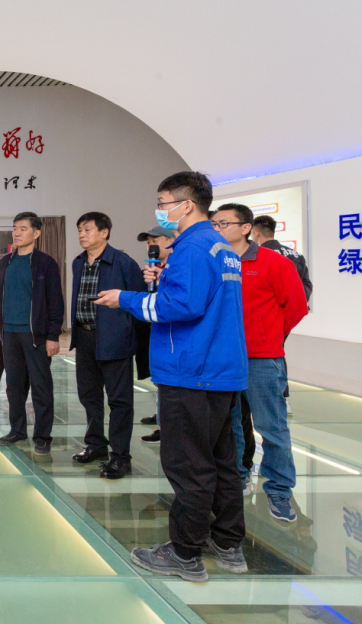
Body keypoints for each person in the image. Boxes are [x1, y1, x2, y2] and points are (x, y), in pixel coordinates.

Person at [95, 171, 248, 583]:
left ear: (187, 204)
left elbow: (179, 307)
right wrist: (164, 282)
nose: (160, 210)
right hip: (219, 370)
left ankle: (184, 553)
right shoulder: (219, 247)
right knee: (221, 462)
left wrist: (126, 299)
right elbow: (202, 298)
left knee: (188, 465)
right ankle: (228, 543)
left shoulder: (192, 247)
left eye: (163, 203)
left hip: (191, 372)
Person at [212, 203, 307, 521]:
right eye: (214, 224)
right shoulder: (215, 261)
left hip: (262, 358)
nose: (217, 229)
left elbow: (296, 306)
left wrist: (269, 336)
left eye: (223, 223)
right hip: (224, 358)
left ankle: (279, 489)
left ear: (246, 228)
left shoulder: (273, 262)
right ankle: (237, 478)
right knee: (230, 426)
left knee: (271, 427)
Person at [69, 212, 145, 479]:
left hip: (115, 339)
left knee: (119, 401)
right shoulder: (78, 262)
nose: (82, 234)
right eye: (79, 230)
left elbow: (139, 300)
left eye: (87, 229)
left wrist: (129, 335)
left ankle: (120, 457)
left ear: (104, 232)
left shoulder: (123, 262)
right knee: (89, 396)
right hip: (85, 338)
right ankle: (96, 445)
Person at [0, 212, 64, 456]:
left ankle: (42, 436)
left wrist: (53, 336)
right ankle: (17, 430)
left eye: (23, 228)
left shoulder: (46, 263)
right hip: (9, 334)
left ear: (36, 233)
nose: (17, 232)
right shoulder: (5, 262)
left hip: (36, 335)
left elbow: (55, 302)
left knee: (41, 387)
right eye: (15, 228)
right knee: (14, 386)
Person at [251, 214, 312, 416]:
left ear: (256, 232)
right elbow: (305, 286)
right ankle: (282, 399)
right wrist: (289, 315)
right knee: (278, 353)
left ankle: (273, 399)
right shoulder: (295, 254)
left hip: (266, 319)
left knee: (268, 358)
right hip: (287, 317)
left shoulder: (260, 256)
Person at [135, 226, 176, 444]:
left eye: (155, 240)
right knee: (160, 382)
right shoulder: (154, 267)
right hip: (156, 334)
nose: (150, 245)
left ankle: (168, 428)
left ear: (171, 240)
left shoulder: (179, 265)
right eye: (148, 242)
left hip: (175, 338)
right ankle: (162, 421)